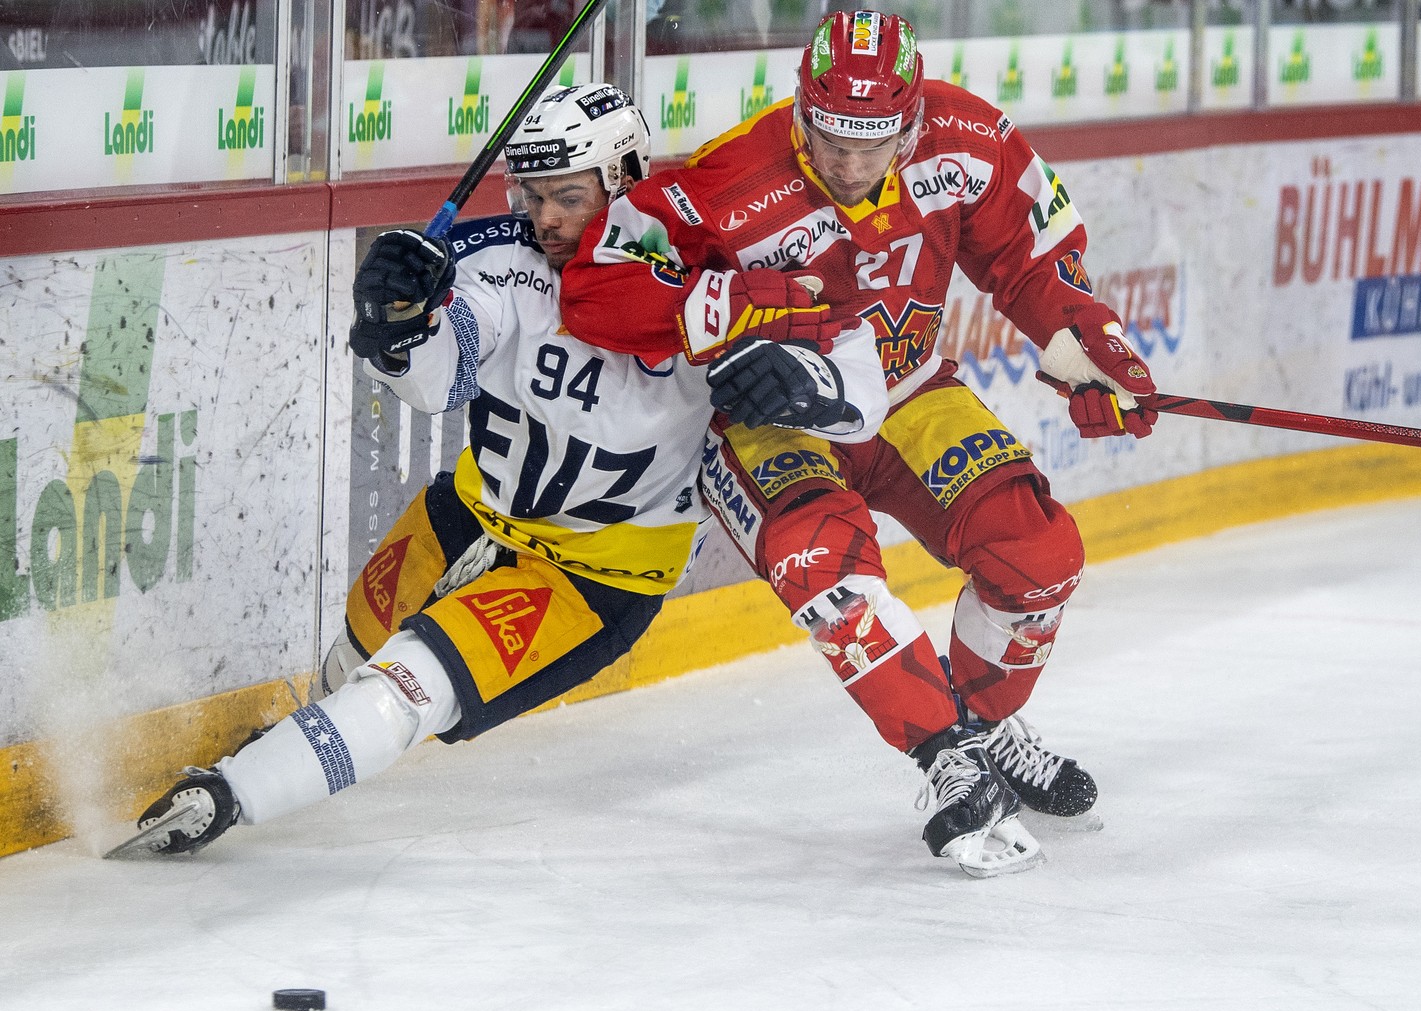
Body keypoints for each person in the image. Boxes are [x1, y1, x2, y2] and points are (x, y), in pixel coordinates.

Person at [109, 82, 887, 859]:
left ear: (624, 178)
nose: (545, 218)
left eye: (568, 196)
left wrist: (812, 386)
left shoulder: (708, 281)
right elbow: (439, 376)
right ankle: (272, 760)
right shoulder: (506, 260)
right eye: (532, 193)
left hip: (591, 579)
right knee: (352, 661)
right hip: (466, 517)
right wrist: (398, 326)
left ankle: (227, 798)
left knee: (404, 689)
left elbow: (855, 365)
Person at [560, 11, 1160, 877]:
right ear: (801, 110)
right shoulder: (729, 177)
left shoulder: (971, 140)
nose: (847, 165)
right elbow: (596, 286)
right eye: (830, 138)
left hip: (907, 392)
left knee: (1038, 554)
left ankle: (985, 730)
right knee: (822, 560)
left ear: (912, 124)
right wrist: (731, 307)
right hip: (772, 419)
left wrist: (1088, 348)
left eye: (872, 144)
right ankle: (946, 754)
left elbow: (1031, 264)